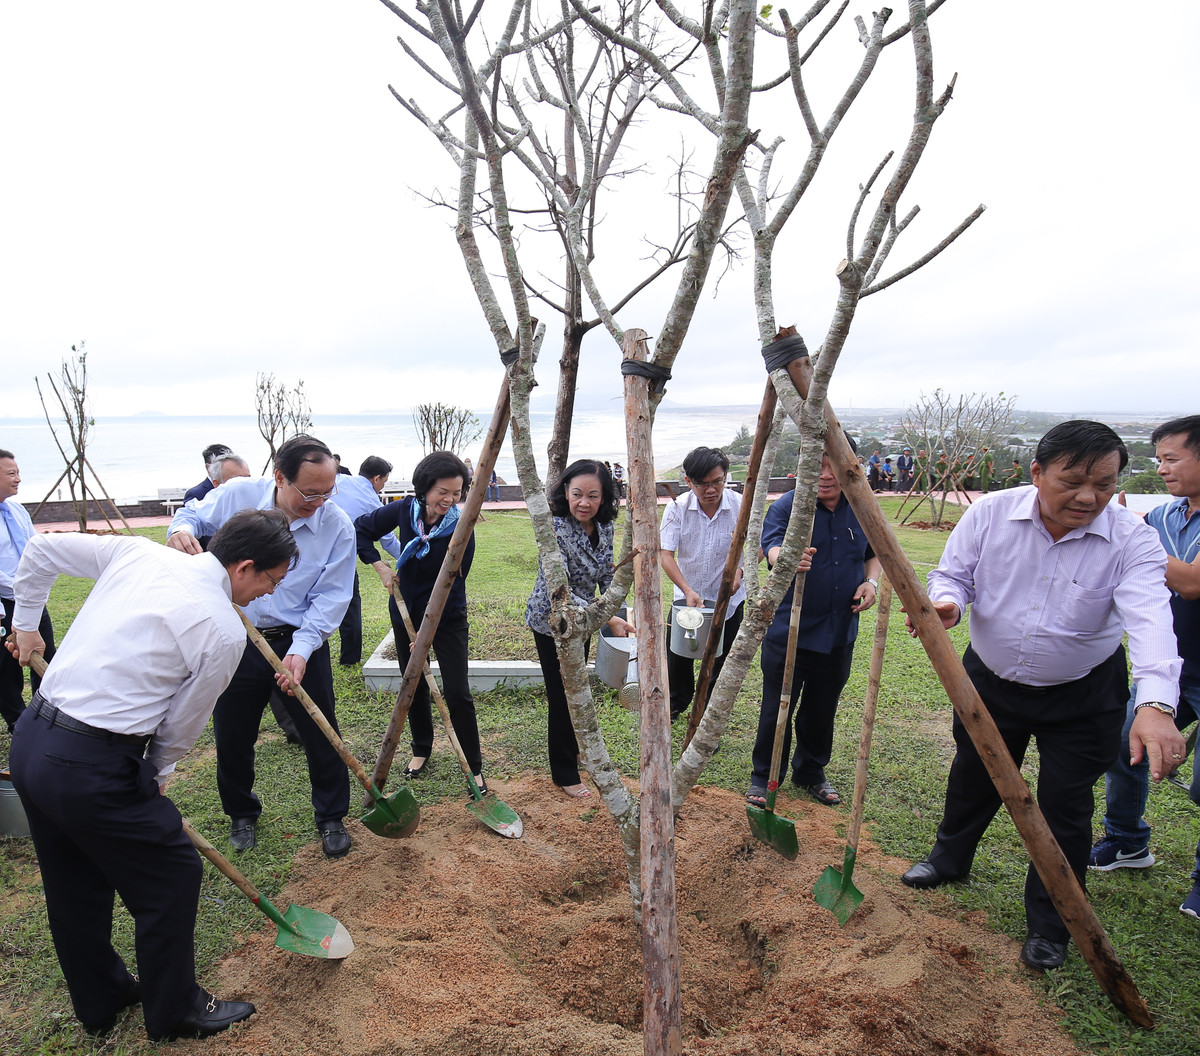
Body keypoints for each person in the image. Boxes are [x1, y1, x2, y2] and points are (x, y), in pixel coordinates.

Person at [900, 420, 1183, 972]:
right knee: (973, 775)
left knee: (1065, 806)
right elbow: (953, 575)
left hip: (1084, 693)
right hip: (989, 680)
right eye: (1072, 481)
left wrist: (1155, 705)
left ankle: (1053, 923)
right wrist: (948, 604)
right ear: (1037, 472)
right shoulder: (990, 514)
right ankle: (948, 859)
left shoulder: (1132, 539)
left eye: (1104, 484)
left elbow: (1151, 619)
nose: (1088, 497)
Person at [6, 509, 297, 1040]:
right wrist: (156, 774)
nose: (268, 594)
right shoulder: (221, 628)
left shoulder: (138, 551)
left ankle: (101, 999)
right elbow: (182, 722)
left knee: (73, 879)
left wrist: (25, 622)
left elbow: (41, 549)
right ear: (244, 566)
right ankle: (176, 1009)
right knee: (171, 873)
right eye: (271, 581)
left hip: (32, 740)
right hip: (91, 764)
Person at [167, 435, 356, 859]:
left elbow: (331, 596)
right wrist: (180, 531)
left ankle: (331, 816)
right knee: (233, 732)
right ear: (279, 477)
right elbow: (190, 515)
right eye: (309, 492)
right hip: (236, 633)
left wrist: (302, 649)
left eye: (327, 492)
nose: (319, 502)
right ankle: (241, 813)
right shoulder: (238, 495)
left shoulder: (336, 525)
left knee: (320, 729)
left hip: (299, 638)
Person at [1090, 416, 1200, 906]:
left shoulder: (1144, 527)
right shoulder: (1165, 516)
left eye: (1172, 458)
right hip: (1170, 667)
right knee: (1123, 747)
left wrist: (1132, 533)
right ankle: (1127, 840)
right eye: (1159, 458)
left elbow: (1191, 583)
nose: (1161, 468)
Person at [747, 436, 882, 809]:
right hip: (790, 631)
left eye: (832, 464)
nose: (824, 475)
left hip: (839, 632)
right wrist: (787, 558)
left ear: (849, 465)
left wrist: (871, 583)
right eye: (816, 464)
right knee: (777, 708)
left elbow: (873, 554)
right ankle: (765, 776)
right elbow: (772, 547)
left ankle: (811, 771)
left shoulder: (862, 506)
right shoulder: (788, 507)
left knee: (822, 708)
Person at [355, 451, 487, 790]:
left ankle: (473, 766)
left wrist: (427, 632)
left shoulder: (461, 526)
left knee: (457, 692)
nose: (450, 499)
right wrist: (380, 566)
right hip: (405, 612)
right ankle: (421, 749)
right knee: (412, 683)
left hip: (447, 616)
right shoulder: (403, 510)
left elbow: (454, 582)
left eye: (456, 493)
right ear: (424, 488)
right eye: (442, 491)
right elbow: (361, 530)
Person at [527, 459, 633, 798]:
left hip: (584, 623)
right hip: (552, 622)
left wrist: (616, 607)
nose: (584, 503)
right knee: (563, 694)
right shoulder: (554, 528)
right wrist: (608, 617)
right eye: (577, 494)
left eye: (592, 496)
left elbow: (607, 575)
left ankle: (573, 752)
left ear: (604, 498)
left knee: (578, 690)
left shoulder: (605, 527)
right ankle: (564, 773)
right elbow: (559, 588)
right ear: (565, 493)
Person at [659, 446, 746, 721]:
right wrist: (687, 590)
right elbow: (665, 554)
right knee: (678, 656)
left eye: (717, 481)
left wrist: (740, 571)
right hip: (688, 596)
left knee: (721, 659)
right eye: (702, 484)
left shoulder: (741, 505)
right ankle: (675, 705)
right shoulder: (677, 508)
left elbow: (756, 545)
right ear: (689, 481)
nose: (711, 490)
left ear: (725, 476)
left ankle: (706, 714)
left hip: (729, 599)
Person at [1, 449, 56, 732]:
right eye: (11, 474)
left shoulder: (17, 510)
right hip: (4, 601)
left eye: (18, 472)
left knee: (45, 652)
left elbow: (33, 549)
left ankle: (44, 713)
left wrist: (35, 585)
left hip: (29, 597)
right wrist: (18, 586)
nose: (18, 479)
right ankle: (17, 722)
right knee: (6, 665)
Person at [328, 455, 402, 666]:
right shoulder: (372, 502)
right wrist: (407, 557)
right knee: (350, 606)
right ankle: (350, 659)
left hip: (312, 550)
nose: (382, 487)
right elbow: (388, 541)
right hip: (341, 558)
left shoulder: (339, 479)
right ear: (377, 478)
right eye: (384, 481)